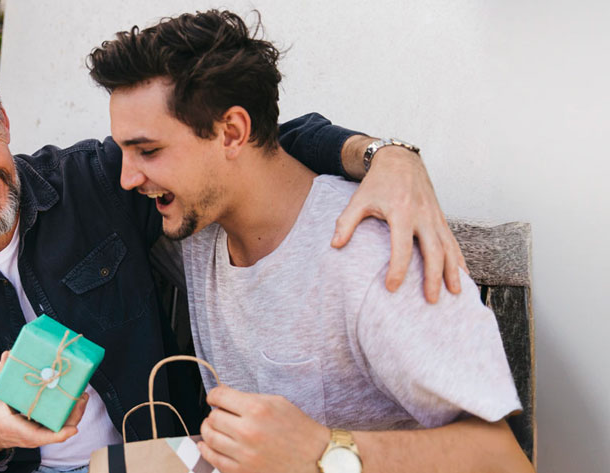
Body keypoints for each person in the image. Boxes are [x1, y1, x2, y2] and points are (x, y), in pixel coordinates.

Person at [0, 39, 462, 473]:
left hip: (168, 459)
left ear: (3, 122)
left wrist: (387, 157)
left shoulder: (94, 184)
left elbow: (257, 146)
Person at [83, 10, 533, 473]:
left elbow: (506, 461)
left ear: (232, 133)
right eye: (125, 151)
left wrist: (323, 450)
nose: (128, 177)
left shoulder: (373, 255)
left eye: (149, 150)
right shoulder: (199, 225)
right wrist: (384, 153)